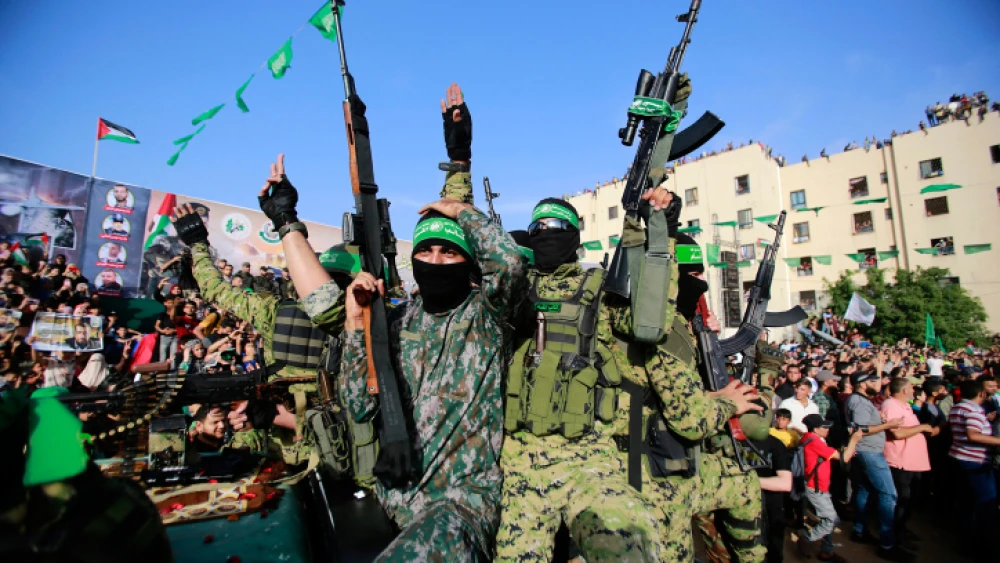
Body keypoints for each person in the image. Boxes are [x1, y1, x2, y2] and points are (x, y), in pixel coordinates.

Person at [264, 97, 527, 559]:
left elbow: (507, 265)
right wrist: (353, 326)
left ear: (468, 264)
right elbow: (359, 406)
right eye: (426, 252)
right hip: (395, 493)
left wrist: (459, 208)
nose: (436, 261)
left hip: (461, 503)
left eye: (449, 254)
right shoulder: (398, 321)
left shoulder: (484, 316)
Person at [172, 203, 352, 470]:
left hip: (279, 444)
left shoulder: (270, 310)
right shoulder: (365, 325)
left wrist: (198, 243)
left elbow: (213, 288)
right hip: (341, 447)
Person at [844, 372, 910, 561]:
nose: (878, 384)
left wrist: (879, 421)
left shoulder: (861, 400)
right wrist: (888, 424)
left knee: (864, 491)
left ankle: (860, 531)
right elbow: (861, 430)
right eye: (874, 381)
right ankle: (887, 544)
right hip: (869, 453)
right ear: (863, 384)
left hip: (866, 452)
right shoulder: (859, 402)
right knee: (889, 495)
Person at [796, 414, 864, 562]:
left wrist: (848, 448)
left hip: (818, 486)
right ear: (815, 429)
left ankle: (827, 551)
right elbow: (844, 459)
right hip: (816, 488)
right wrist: (854, 440)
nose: (827, 429)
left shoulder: (807, 438)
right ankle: (807, 538)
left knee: (828, 518)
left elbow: (838, 455)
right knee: (832, 520)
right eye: (824, 427)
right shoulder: (815, 442)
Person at [880, 377, 938, 544]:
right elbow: (897, 433)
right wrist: (922, 427)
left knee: (909, 499)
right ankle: (893, 535)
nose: (914, 391)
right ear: (904, 390)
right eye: (912, 388)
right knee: (900, 500)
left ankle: (901, 529)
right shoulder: (891, 406)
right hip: (900, 461)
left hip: (912, 461)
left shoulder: (903, 406)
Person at [948, 378, 1000, 560]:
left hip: (958, 457)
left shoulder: (958, 407)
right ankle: (985, 547)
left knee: (966, 503)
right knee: (988, 504)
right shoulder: (974, 410)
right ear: (981, 393)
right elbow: (972, 434)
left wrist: (984, 420)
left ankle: (966, 542)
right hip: (974, 461)